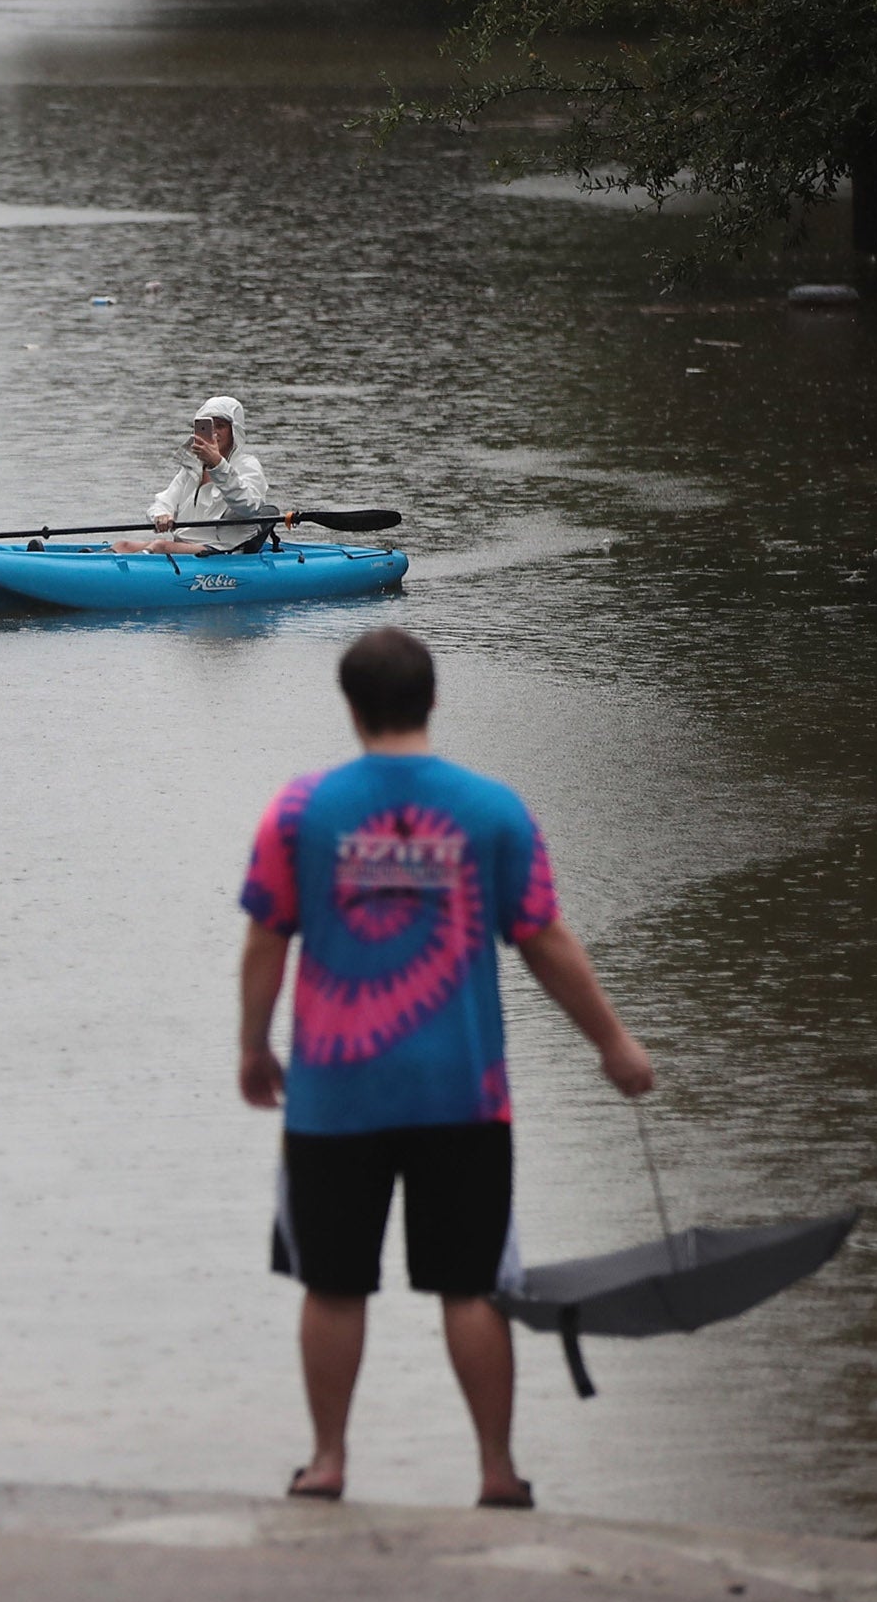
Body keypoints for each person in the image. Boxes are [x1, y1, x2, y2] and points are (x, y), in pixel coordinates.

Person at [235, 629, 654, 1510]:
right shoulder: (493, 810)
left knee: (334, 1282)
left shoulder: (299, 812)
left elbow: (266, 940)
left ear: (349, 708)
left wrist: (252, 1047)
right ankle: (497, 1475)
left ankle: (328, 1464)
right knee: (470, 1286)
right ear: (432, 700)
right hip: (461, 1092)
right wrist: (613, 1043)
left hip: (333, 1093)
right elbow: (543, 939)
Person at [123, 394, 270, 552]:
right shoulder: (192, 468)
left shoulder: (248, 465)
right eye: (208, 427)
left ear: (234, 431)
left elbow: (248, 506)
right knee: (122, 545)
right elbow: (164, 501)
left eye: (220, 426)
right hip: (186, 545)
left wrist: (217, 465)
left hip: (222, 549)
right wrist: (161, 515)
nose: (213, 433)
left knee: (160, 546)